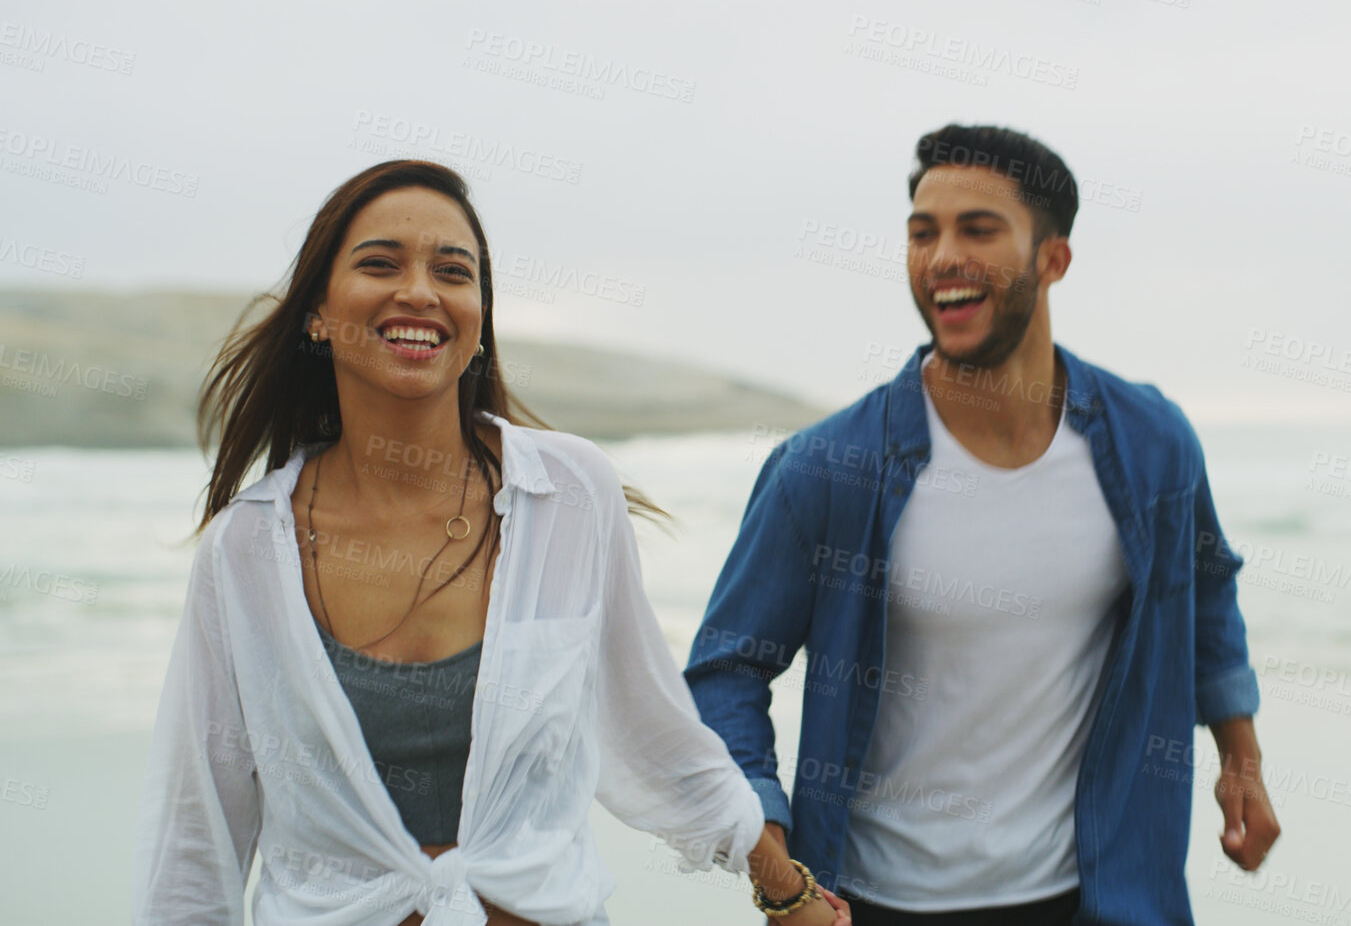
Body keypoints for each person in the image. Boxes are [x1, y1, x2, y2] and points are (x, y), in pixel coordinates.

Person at [132, 160, 849, 925]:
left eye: (452, 271)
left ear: (478, 320)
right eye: (380, 264)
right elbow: (194, 834)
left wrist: (785, 890)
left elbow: (652, 729)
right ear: (317, 313)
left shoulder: (567, 495)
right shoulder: (245, 551)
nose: (420, 291)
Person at [685, 125, 1279, 926]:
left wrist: (1240, 756)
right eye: (922, 233)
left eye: (977, 229)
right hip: (873, 903)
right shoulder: (828, 468)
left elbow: (1203, 588)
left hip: (1097, 895)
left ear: (1052, 259)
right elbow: (725, 671)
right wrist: (780, 880)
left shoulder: (1151, 441)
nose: (941, 257)